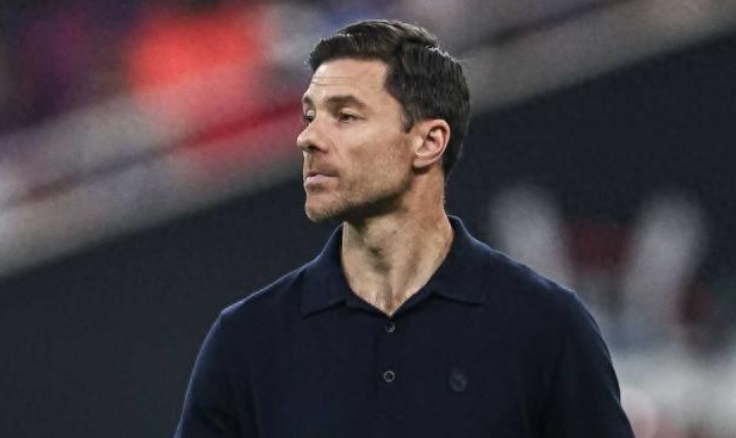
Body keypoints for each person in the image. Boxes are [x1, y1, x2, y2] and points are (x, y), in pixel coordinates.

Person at [174, 19, 635, 438]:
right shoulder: (247, 341)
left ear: (428, 142)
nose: (308, 138)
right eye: (310, 116)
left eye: (346, 116)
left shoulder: (545, 324)